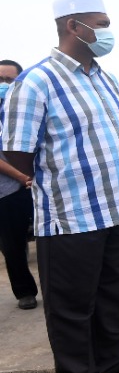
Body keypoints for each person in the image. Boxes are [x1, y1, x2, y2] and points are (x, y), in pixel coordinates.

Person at [1, 0, 119, 373]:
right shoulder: (35, 82)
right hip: (72, 214)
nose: (108, 32)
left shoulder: (105, 79)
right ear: (74, 26)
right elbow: (17, 153)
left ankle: (114, 360)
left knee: (113, 292)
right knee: (71, 300)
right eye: (101, 23)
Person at [0, 59, 39, 309]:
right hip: (8, 189)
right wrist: (23, 177)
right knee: (12, 244)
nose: (3, 85)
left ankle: (60, 288)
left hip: (40, 184)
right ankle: (25, 291)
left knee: (52, 240)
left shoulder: (29, 108)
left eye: (8, 80)